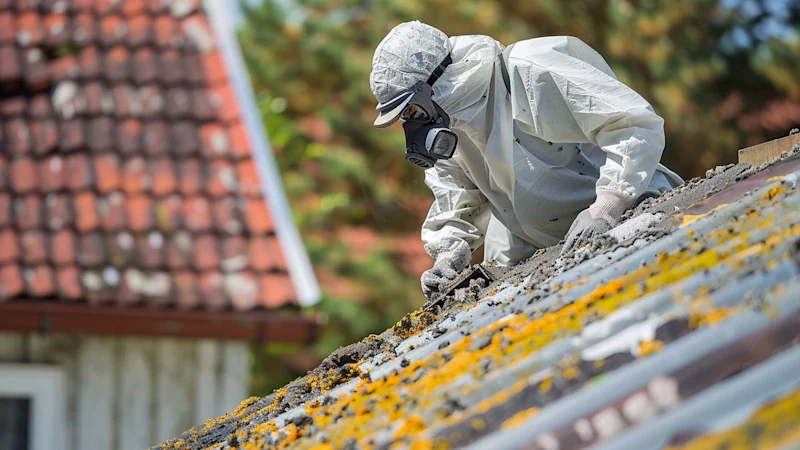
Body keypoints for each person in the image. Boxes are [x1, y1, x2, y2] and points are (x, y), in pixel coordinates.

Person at [369, 21, 684, 297]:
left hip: (629, 211)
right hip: (544, 249)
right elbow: (457, 198)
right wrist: (448, 255)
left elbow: (632, 123)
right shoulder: (449, 127)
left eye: (410, 110)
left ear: (435, 84)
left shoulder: (529, 69)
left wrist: (609, 206)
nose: (412, 124)